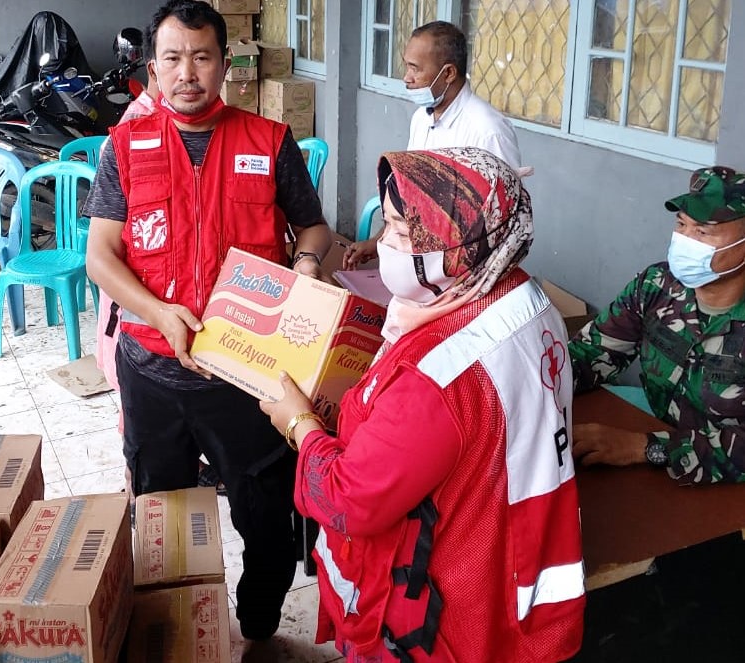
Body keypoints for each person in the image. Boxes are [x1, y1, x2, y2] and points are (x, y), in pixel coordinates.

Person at [261, 147, 584, 662]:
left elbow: (351, 500)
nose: (384, 243)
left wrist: (300, 423)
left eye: (401, 231)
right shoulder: (522, 297)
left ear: (456, 246)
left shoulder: (437, 379)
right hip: (509, 568)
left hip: (438, 616)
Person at [83, 0, 333, 642]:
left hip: (246, 380)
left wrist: (304, 265)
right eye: (172, 58)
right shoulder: (124, 146)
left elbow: (312, 226)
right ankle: (173, 631)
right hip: (152, 371)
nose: (186, 72)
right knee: (162, 519)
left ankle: (258, 624)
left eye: (201, 57)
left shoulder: (269, 141)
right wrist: (160, 312)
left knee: (268, 517)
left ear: (226, 65)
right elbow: (100, 258)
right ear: (153, 66)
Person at [570, 166, 745, 484]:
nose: (685, 241)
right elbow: (591, 353)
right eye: (681, 224)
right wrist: (528, 391)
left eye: (702, 232)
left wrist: (646, 447)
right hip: (658, 464)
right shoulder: (657, 285)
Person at [344, 21, 522, 270]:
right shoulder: (422, 119)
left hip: (464, 274)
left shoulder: (487, 131)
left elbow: (506, 222)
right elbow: (408, 197)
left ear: (448, 73)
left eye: (415, 68)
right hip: (421, 268)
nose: (407, 78)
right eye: (406, 66)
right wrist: (379, 242)